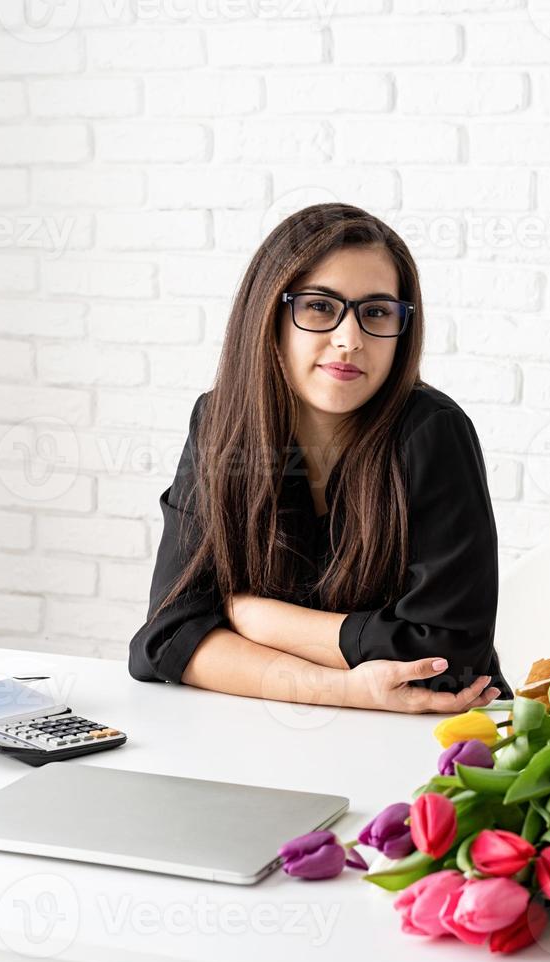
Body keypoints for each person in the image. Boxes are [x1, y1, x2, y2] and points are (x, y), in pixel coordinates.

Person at [128, 203, 508, 713]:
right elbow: (166, 641)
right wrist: (344, 689)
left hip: (435, 741)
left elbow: (447, 660)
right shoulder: (222, 425)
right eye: (320, 306)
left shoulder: (433, 432)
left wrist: (254, 619)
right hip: (270, 734)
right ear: (270, 314)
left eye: (376, 312)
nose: (349, 340)